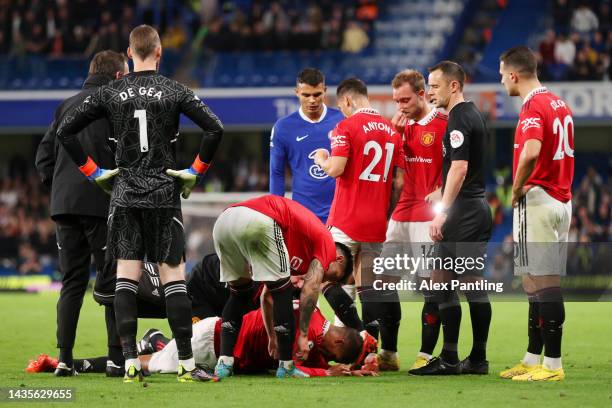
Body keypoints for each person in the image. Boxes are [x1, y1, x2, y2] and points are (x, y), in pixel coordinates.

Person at [55, 25, 224, 383]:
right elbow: (215, 129)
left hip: (125, 194)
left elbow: (65, 131)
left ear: (130, 54)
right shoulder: (176, 90)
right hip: (164, 194)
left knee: (126, 280)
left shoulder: (112, 92)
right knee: (174, 279)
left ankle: (129, 362)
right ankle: (186, 365)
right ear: (160, 52)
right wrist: (194, 171)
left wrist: (94, 172)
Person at [34, 50, 129, 377]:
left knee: (71, 283)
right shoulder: (116, 105)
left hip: (64, 207)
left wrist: (60, 187)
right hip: (101, 206)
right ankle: (116, 359)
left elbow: (43, 156)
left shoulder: (66, 106)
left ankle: (64, 360)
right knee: (112, 281)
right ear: (118, 76)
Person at [314, 78, 404, 369]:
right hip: (377, 222)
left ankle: (361, 341)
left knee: (328, 278)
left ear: (348, 101)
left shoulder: (345, 127)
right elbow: (399, 183)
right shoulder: (392, 131)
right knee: (368, 289)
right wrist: (385, 213)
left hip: (346, 220)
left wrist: (323, 159)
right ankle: (370, 356)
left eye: (341, 107)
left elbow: (337, 168)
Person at [409, 61, 492, 376]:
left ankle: (465, 359)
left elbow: (459, 168)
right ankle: (456, 358)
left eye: (434, 85)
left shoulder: (458, 118)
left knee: (467, 285)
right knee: (443, 281)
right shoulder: (472, 114)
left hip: (464, 214)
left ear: (454, 86)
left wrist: (441, 212)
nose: (430, 91)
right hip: (471, 208)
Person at [211, 194, 353, 379]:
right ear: (338, 259)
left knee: (240, 293)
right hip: (260, 219)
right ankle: (286, 366)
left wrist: (271, 336)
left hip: (224, 221)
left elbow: (266, 296)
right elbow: (310, 289)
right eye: (334, 276)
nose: (326, 279)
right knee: (284, 292)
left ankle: (225, 362)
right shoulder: (327, 242)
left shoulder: (297, 251)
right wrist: (302, 335)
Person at [27, 304, 379, 378]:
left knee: (160, 354)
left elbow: (313, 361)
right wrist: (333, 373)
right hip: (209, 342)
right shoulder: (313, 339)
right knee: (145, 367)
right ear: (334, 346)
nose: (331, 364)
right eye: (337, 359)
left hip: (219, 337)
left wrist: (356, 363)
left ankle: (157, 338)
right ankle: (68, 364)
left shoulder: (316, 322)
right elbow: (297, 370)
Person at [498, 46, 573, 382]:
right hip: (561, 199)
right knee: (534, 282)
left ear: (513, 75)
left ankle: (553, 365)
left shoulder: (532, 106)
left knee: (543, 283)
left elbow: (531, 151)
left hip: (539, 199)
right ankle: (532, 358)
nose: (502, 82)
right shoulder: (559, 103)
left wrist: (515, 189)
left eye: (502, 75)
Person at [386, 69, 448, 371]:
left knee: (429, 286)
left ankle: (425, 354)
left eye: (406, 100)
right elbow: (390, 173)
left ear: (422, 94)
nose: (401, 106)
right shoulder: (399, 128)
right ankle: (386, 351)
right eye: (396, 101)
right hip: (400, 214)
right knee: (381, 280)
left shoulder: (443, 124)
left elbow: (459, 165)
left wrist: (444, 192)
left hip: (427, 217)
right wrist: (394, 137)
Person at [269, 67, 343, 223]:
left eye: (317, 94)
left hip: (340, 214)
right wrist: (276, 214)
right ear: (297, 92)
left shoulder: (342, 121)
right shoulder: (283, 127)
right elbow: (277, 172)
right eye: (306, 95)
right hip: (303, 215)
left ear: (325, 91)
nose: (312, 100)